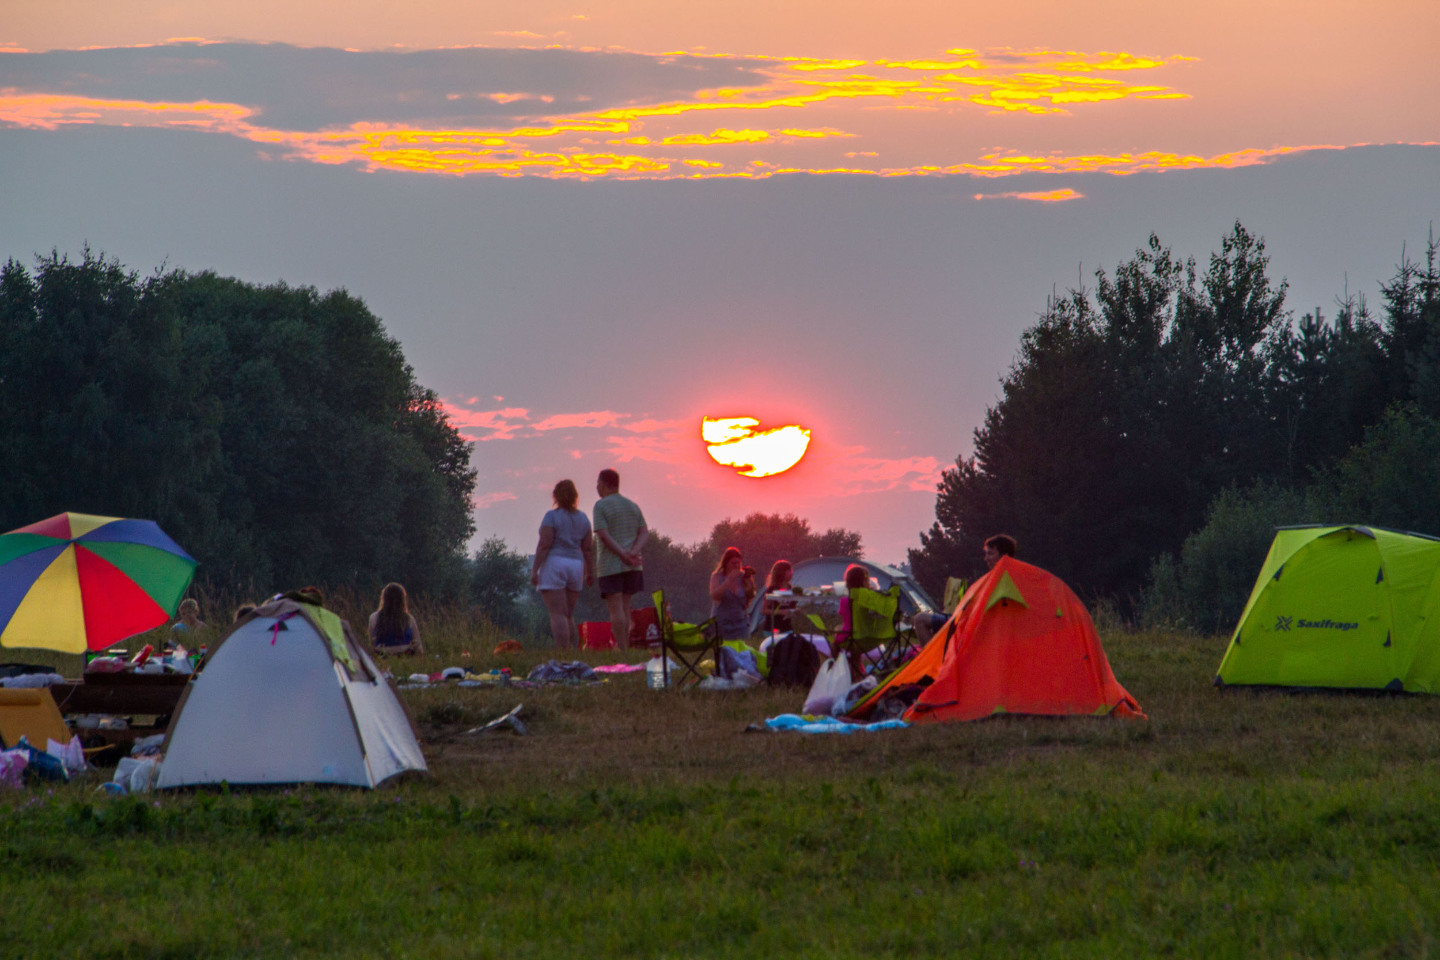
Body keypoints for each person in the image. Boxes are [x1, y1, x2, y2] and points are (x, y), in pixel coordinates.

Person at [913, 533, 1020, 644]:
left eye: (990, 554)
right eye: (986, 554)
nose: (986, 559)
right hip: (968, 620)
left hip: (970, 625)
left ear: (1004, 556)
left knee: (920, 619)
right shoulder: (1004, 576)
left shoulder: (1003, 580)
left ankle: (935, 660)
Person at [531, 479, 595, 649]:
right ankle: (571, 653)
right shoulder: (583, 518)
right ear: (575, 496)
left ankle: (563, 654)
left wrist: (534, 569)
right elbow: (588, 549)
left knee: (558, 614)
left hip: (555, 564)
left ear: (556, 497)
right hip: (576, 566)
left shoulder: (551, 516)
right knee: (568, 614)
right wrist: (590, 572)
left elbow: (544, 544)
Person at [593, 468, 648, 649]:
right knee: (625, 607)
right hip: (633, 566)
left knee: (615, 609)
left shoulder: (600, 506)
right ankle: (627, 646)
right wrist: (633, 552)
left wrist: (622, 554)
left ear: (604, 484)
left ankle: (623, 648)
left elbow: (603, 535)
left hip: (611, 566)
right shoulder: (633, 506)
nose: (596, 488)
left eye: (598, 484)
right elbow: (644, 532)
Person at [709, 547, 758, 640]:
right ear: (726, 563)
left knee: (743, 652)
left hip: (741, 625)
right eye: (733, 563)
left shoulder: (744, 577)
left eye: (738, 563)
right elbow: (714, 595)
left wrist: (750, 590)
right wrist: (728, 581)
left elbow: (749, 599)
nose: (736, 566)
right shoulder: (717, 576)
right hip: (721, 625)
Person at [834, 563, 871, 677]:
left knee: (838, 635)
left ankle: (834, 668)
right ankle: (857, 674)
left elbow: (842, 614)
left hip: (847, 636)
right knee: (856, 650)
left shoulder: (844, 601)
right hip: (865, 636)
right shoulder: (869, 599)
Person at [369, 582, 423, 656]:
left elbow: (372, 645)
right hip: (405, 658)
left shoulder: (374, 617)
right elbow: (418, 646)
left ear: (384, 598)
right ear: (402, 600)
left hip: (382, 658)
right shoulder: (409, 619)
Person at [761, 560, 799, 633]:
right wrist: (781, 612)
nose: (792, 572)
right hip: (773, 628)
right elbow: (764, 610)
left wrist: (795, 611)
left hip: (787, 628)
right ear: (781, 573)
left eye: (791, 570)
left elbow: (790, 607)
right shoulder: (772, 590)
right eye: (788, 570)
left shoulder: (791, 589)